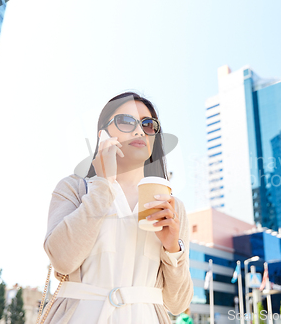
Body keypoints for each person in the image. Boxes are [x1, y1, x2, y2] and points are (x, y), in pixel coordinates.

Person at [42, 92, 194, 323]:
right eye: (126, 121)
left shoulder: (172, 206)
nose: (139, 130)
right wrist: (103, 185)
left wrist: (173, 249)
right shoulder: (74, 188)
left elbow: (178, 303)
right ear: (102, 133)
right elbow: (63, 260)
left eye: (148, 124)